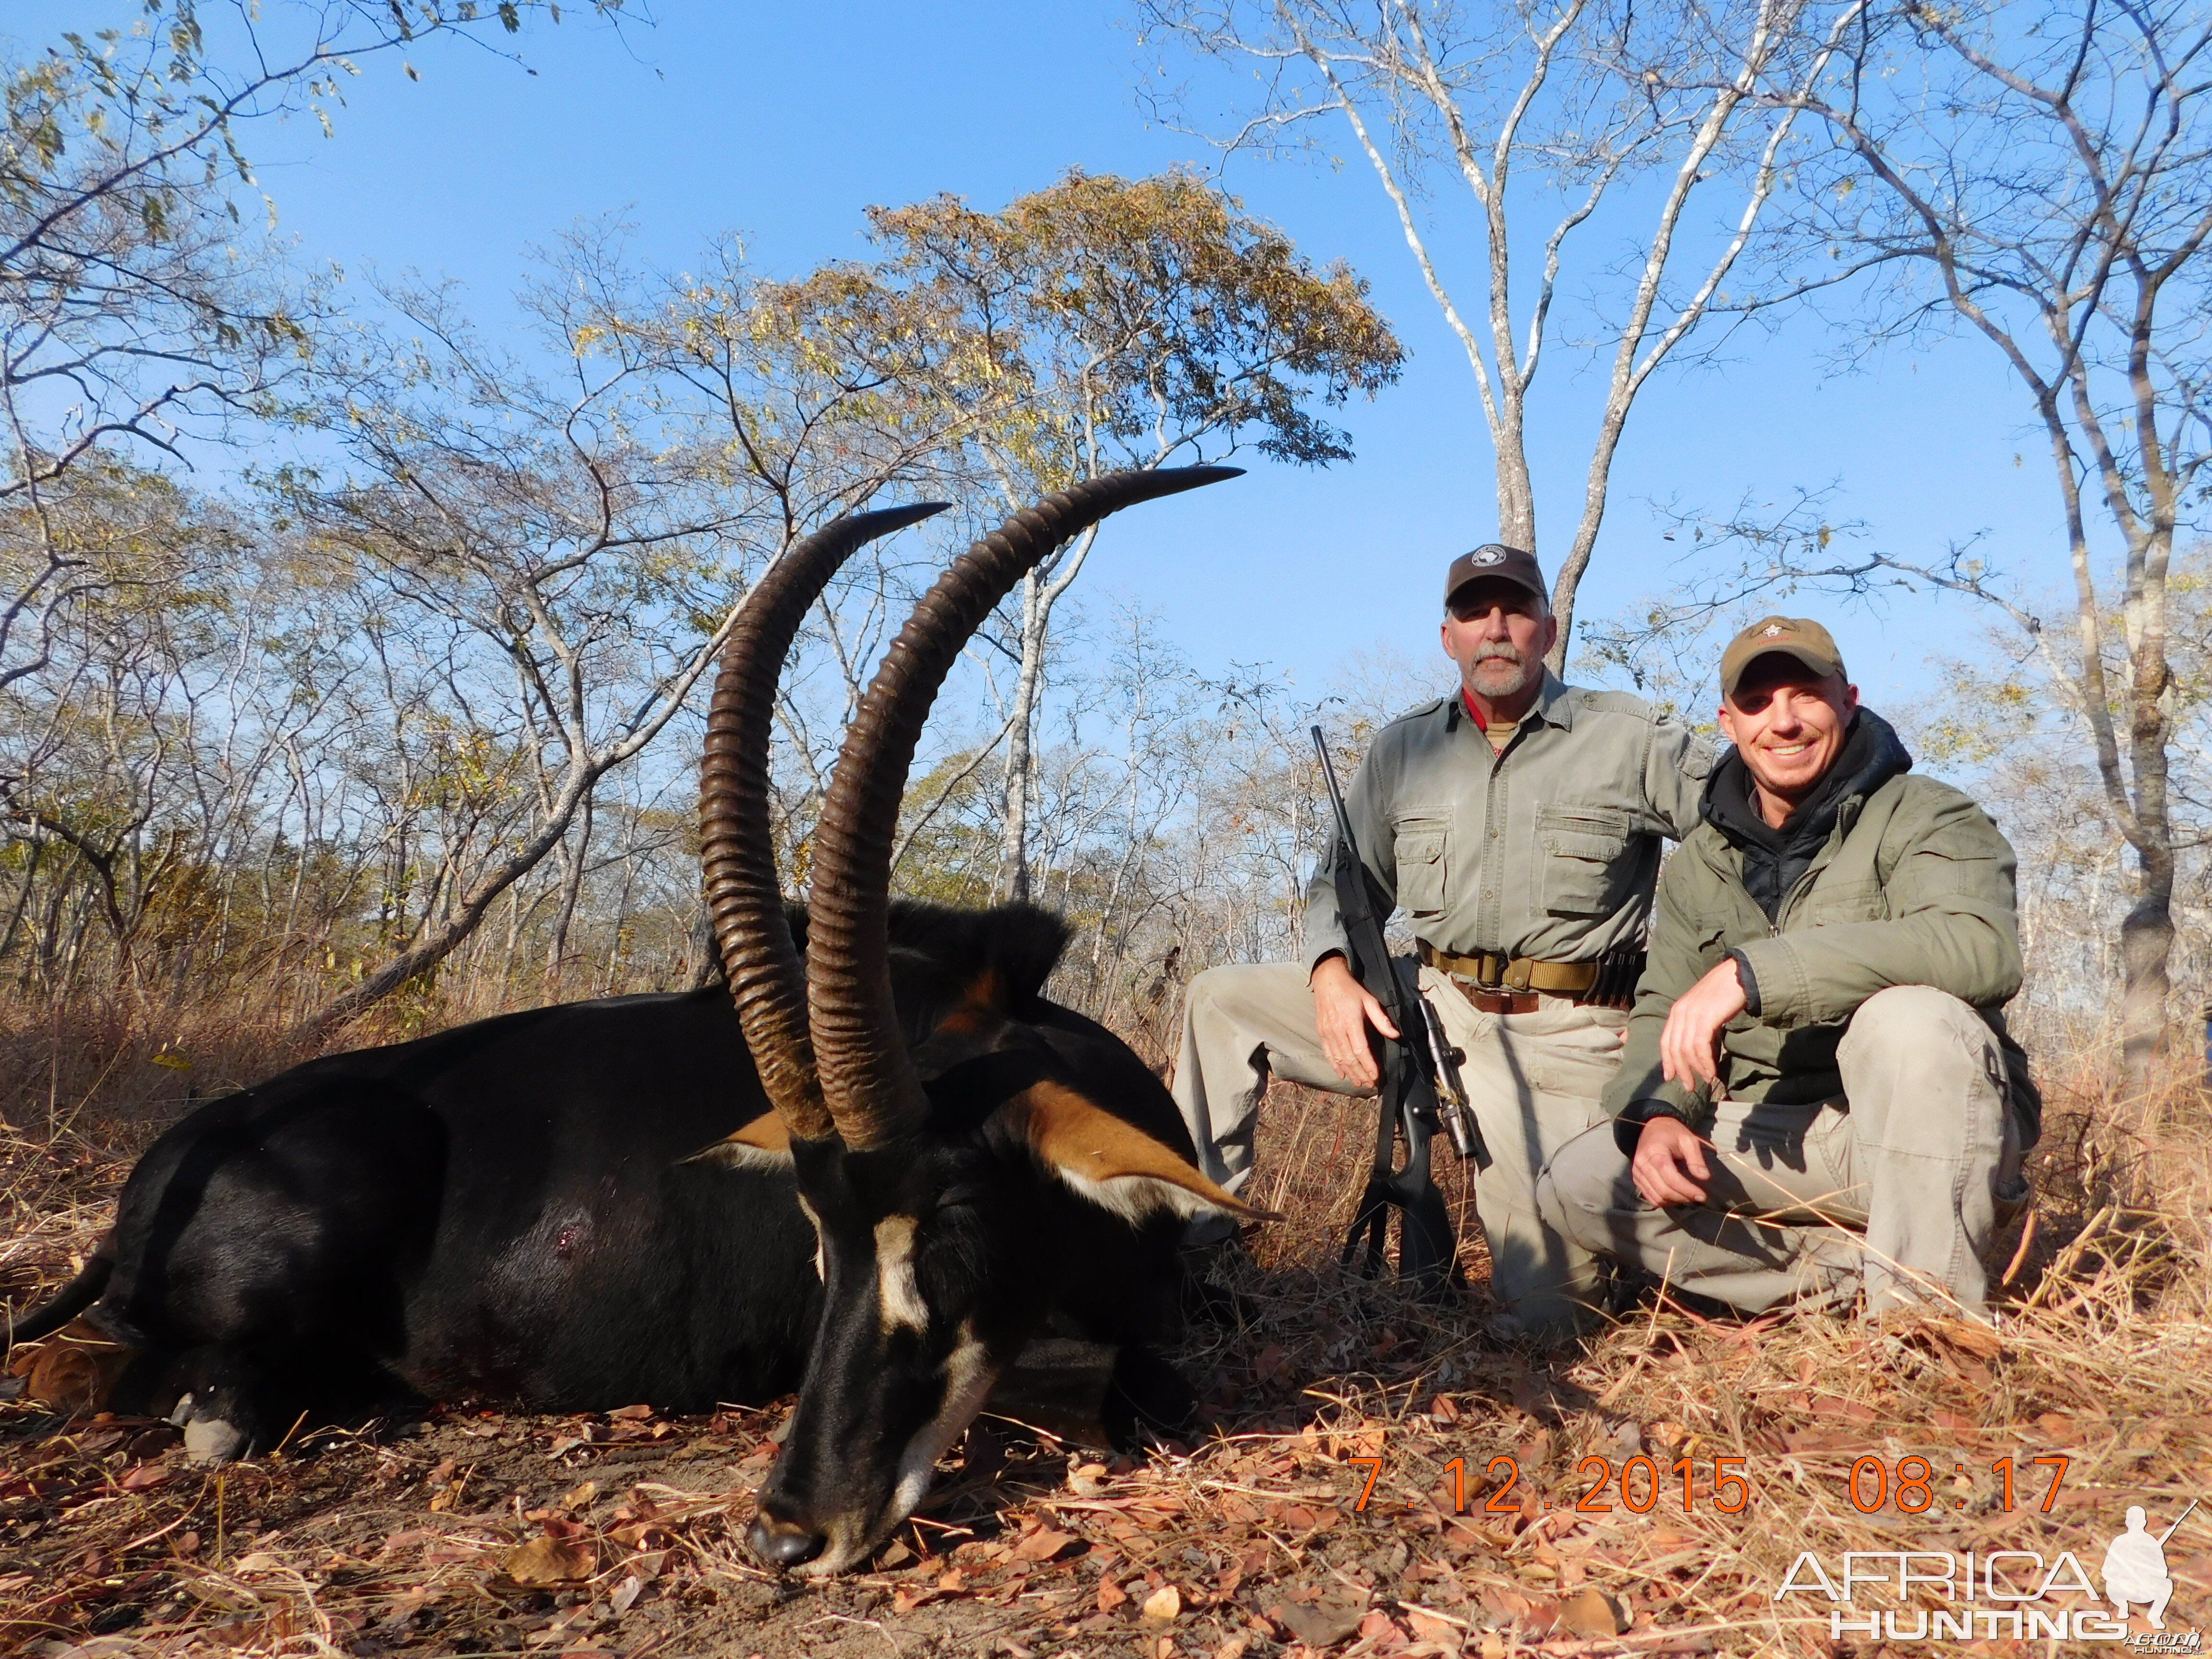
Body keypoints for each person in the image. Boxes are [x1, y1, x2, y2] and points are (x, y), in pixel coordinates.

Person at [1170, 544, 1714, 1334]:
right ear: (1447, 636)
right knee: (1219, 1000)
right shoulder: (1402, 748)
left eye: (1514, 610)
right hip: (1424, 1005)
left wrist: (1695, 988)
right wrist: (1328, 972)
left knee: (1549, 1319)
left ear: (1547, 629)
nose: (1494, 629)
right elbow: (1340, 881)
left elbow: (1742, 843)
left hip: (1562, 1033)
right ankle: (1197, 1253)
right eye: (1473, 612)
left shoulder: (1627, 737)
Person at [1536, 616, 2038, 1318]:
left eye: (1806, 695)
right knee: (1581, 1181)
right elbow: (1663, 1006)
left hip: (1914, 1134)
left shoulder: (1930, 814)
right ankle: (1850, 1280)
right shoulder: (1700, 863)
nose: (1785, 721)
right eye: (1758, 703)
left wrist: (1753, 972)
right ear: (1729, 723)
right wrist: (1659, 1115)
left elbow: (1979, 947)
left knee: (1912, 1021)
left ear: (1847, 700)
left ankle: (1928, 1322)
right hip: (1780, 1135)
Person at [2102, 1506, 2176, 1630]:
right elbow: (2107, 1569)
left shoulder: (2150, 1541)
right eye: (2132, 1521)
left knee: (2167, 1584)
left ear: (2144, 1522)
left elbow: (2163, 1570)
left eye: (2139, 1521)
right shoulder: (2119, 1541)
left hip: (2145, 1589)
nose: (2136, 1525)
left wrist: (2148, 1569)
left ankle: (2155, 1615)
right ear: (2127, 1523)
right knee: (2111, 1585)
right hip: (2122, 1588)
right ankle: (2123, 1608)